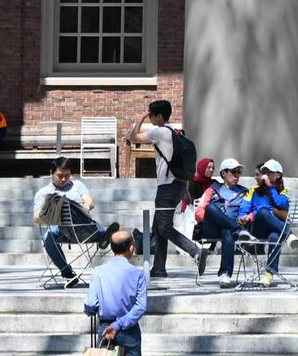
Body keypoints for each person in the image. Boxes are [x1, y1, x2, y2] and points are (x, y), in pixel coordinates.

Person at [133, 99, 202, 278]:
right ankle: (159, 268)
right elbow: (182, 163)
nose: (150, 118)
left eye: (151, 115)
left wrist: (139, 119)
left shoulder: (160, 131)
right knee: (158, 227)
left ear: (159, 116)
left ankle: (195, 251)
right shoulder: (177, 133)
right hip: (178, 185)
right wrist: (185, 189)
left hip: (166, 187)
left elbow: (133, 138)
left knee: (163, 227)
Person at [34, 159, 119, 288]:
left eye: (67, 176)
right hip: (60, 229)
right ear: (51, 173)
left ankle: (103, 236)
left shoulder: (77, 185)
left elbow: (89, 201)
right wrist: (45, 214)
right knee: (47, 237)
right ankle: (67, 273)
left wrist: (85, 207)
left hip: (82, 225)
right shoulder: (43, 193)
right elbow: (36, 217)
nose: (63, 179)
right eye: (59, 176)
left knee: (78, 213)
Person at [82, 228, 148, 356]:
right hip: (129, 332)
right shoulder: (137, 274)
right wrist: (119, 325)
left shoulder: (98, 272)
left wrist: (91, 310)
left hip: (105, 330)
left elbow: (91, 304)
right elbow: (141, 306)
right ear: (131, 247)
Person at [196, 158, 253, 288]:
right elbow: (199, 212)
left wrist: (247, 218)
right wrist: (218, 217)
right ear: (223, 173)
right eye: (234, 172)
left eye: (239, 172)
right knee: (211, 208)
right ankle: (237, 229)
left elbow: (250, 210)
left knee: (227, 230)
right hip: (212, 227)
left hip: (230, 229)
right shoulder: (212, 190)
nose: (237, 175)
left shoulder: (244, 192)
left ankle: (225, 275)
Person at [243, 160, 292, 286]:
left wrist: (270, 187)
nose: (265, 174)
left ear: (278, 175)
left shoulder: (283, 193)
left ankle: (269, 274)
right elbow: (244, 209)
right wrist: (245, 217)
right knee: (263, 212)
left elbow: (280, 203)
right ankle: (288, 233)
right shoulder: (254, 190)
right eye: (264, 171)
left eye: (268, 172)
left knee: (275, 237)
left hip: (273, 229)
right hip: (256, 229)